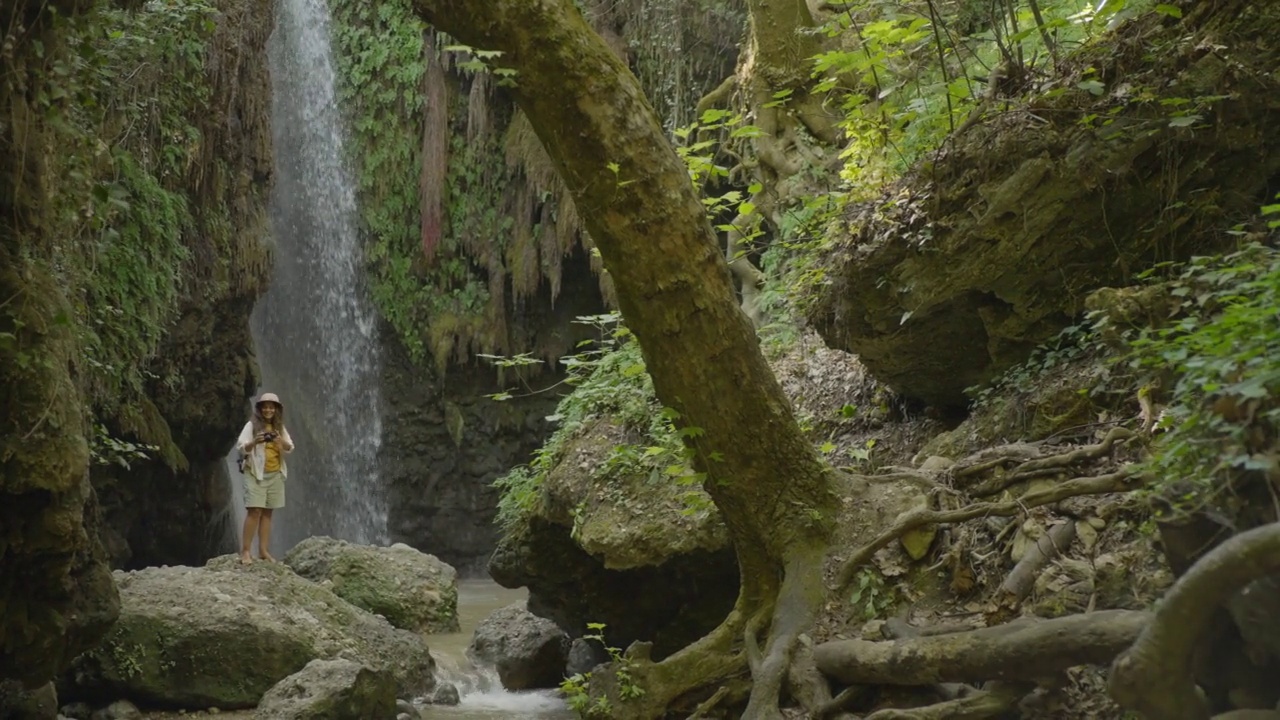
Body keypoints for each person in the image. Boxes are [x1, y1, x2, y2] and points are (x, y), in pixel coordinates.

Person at [236, 392, 294, 564]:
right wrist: (255, 442)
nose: (268, 410)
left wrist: (279, 442)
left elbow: (290, 447)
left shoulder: (279, 428)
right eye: (265, 407)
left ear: (276, 410)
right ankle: (246, 551)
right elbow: (241, 446)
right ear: (260, 409)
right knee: (254, 511)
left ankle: (263, 550)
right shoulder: (251, 425)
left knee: (268, 513)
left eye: (272, 407)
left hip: (275, 474)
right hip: (255, 474)